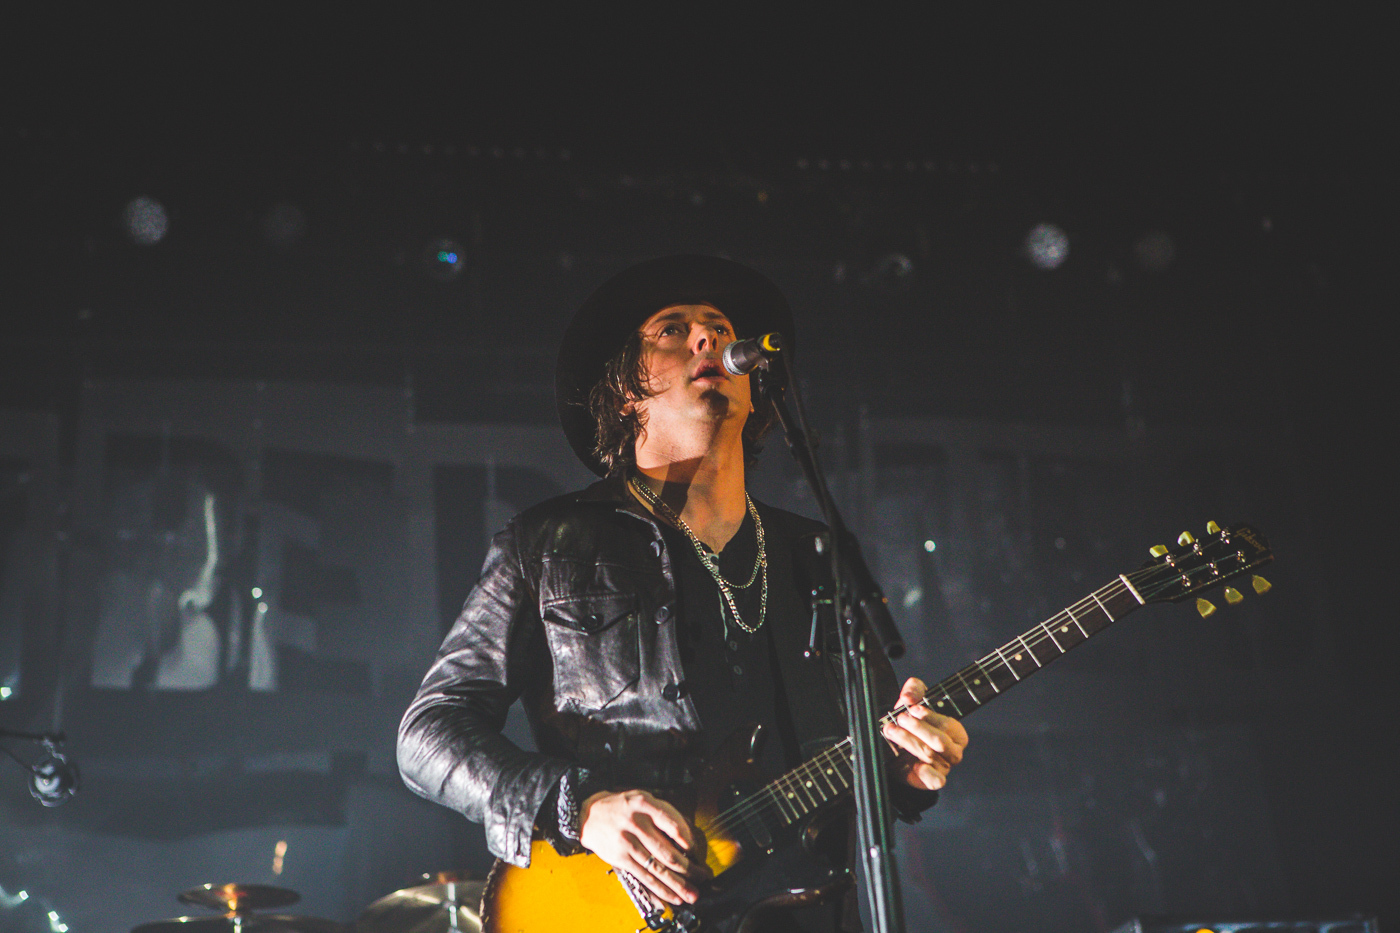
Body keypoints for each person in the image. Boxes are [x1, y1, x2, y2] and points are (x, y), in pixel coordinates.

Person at [397, 255, 968, 931]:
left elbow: (870, 758)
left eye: (719, 327)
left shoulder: (816, 552)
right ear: (621, 393)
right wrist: (580, 807)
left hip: (808, 910)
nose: (706, 339)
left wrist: (911, 766)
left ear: (755, 391)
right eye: (672, 329)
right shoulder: (550, 543)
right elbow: (428, 732)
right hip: (614, 906)